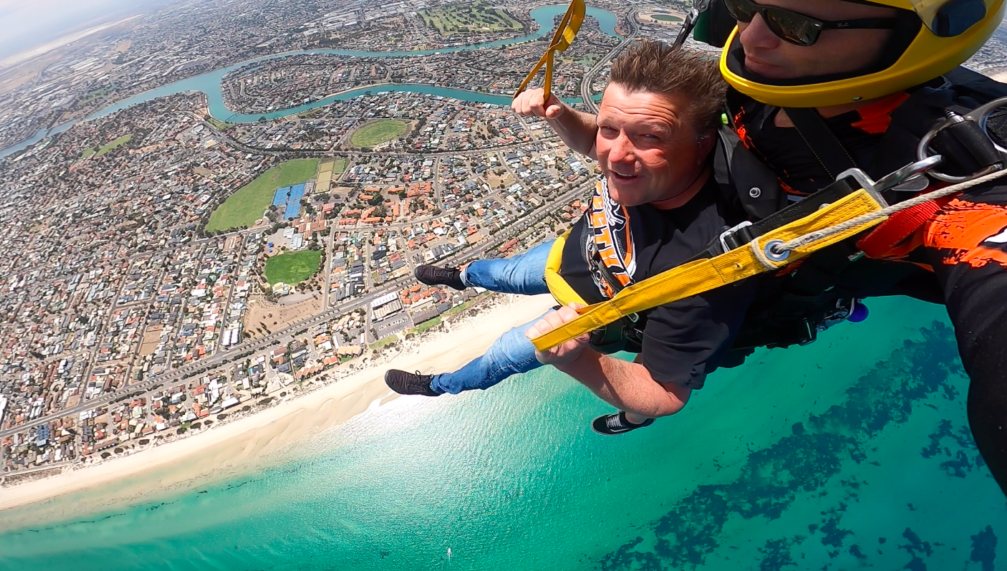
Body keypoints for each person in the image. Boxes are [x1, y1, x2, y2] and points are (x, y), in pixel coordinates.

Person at [530, 0, 1007, 495]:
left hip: (704, 298)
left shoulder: (964, 184)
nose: (752, 36)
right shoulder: (759, 76)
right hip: (620, 262)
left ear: (909, 34)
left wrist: (576, 361)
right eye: (742, 4)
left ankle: (632, 416)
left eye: (797, 25)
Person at [385, 43, 757, 434]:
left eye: (649, 136)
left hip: (584, 316)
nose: (615, 156)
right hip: (573, 254)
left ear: (704, 144)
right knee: (504, 273)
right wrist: (559, 114)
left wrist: (573, 360)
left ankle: (438, 385)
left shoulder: (703, 266)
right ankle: (461, 277)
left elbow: (665, 394)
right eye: (610, 128)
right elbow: (595, 141)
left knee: (501, 356)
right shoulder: (646, 164)